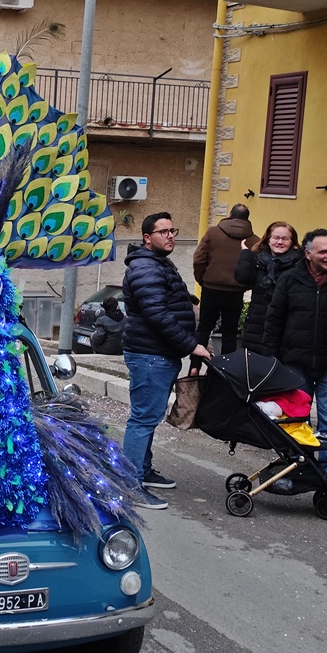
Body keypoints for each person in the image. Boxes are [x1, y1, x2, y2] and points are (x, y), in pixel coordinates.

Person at [122, 212, 212, 510]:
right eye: (162, 232)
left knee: (148, 416)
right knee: (143, 419)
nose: (170, 235)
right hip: (150, 356)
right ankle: (130, 485)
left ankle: (143, 471)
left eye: (172, 230)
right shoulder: (146, 267)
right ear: (147, 238)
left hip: (159, 354)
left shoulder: (158, 263)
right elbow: (158, 315)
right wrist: (191, 346)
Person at [263, 228, 327, 486]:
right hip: (294, 363)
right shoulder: (290, 279)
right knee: (296, 420)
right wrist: (271, 360)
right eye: (324, 252)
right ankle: (298, 467)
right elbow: (274, 320)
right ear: (308, 254)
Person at [190, 203, 259, 372]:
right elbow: (254, 269)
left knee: (204, 328)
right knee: (230, 332)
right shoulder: (254, 240)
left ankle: (195, 366)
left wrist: (203, 280)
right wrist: (244, 286)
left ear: (230, 215)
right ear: (247, 218)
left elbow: (199, 259)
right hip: (235, 292)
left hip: (211, 289)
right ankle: (224, 371)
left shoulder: (213, 233)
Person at [233, 221, 301, 355]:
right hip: (257, 326)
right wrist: (246, 254)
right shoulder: (258, 260)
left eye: (285, 239)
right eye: (276, 238)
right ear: (268, 240)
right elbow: (242, 278)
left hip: (286, 329)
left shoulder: (299, 265)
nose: (280, 242)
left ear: (292, 242)